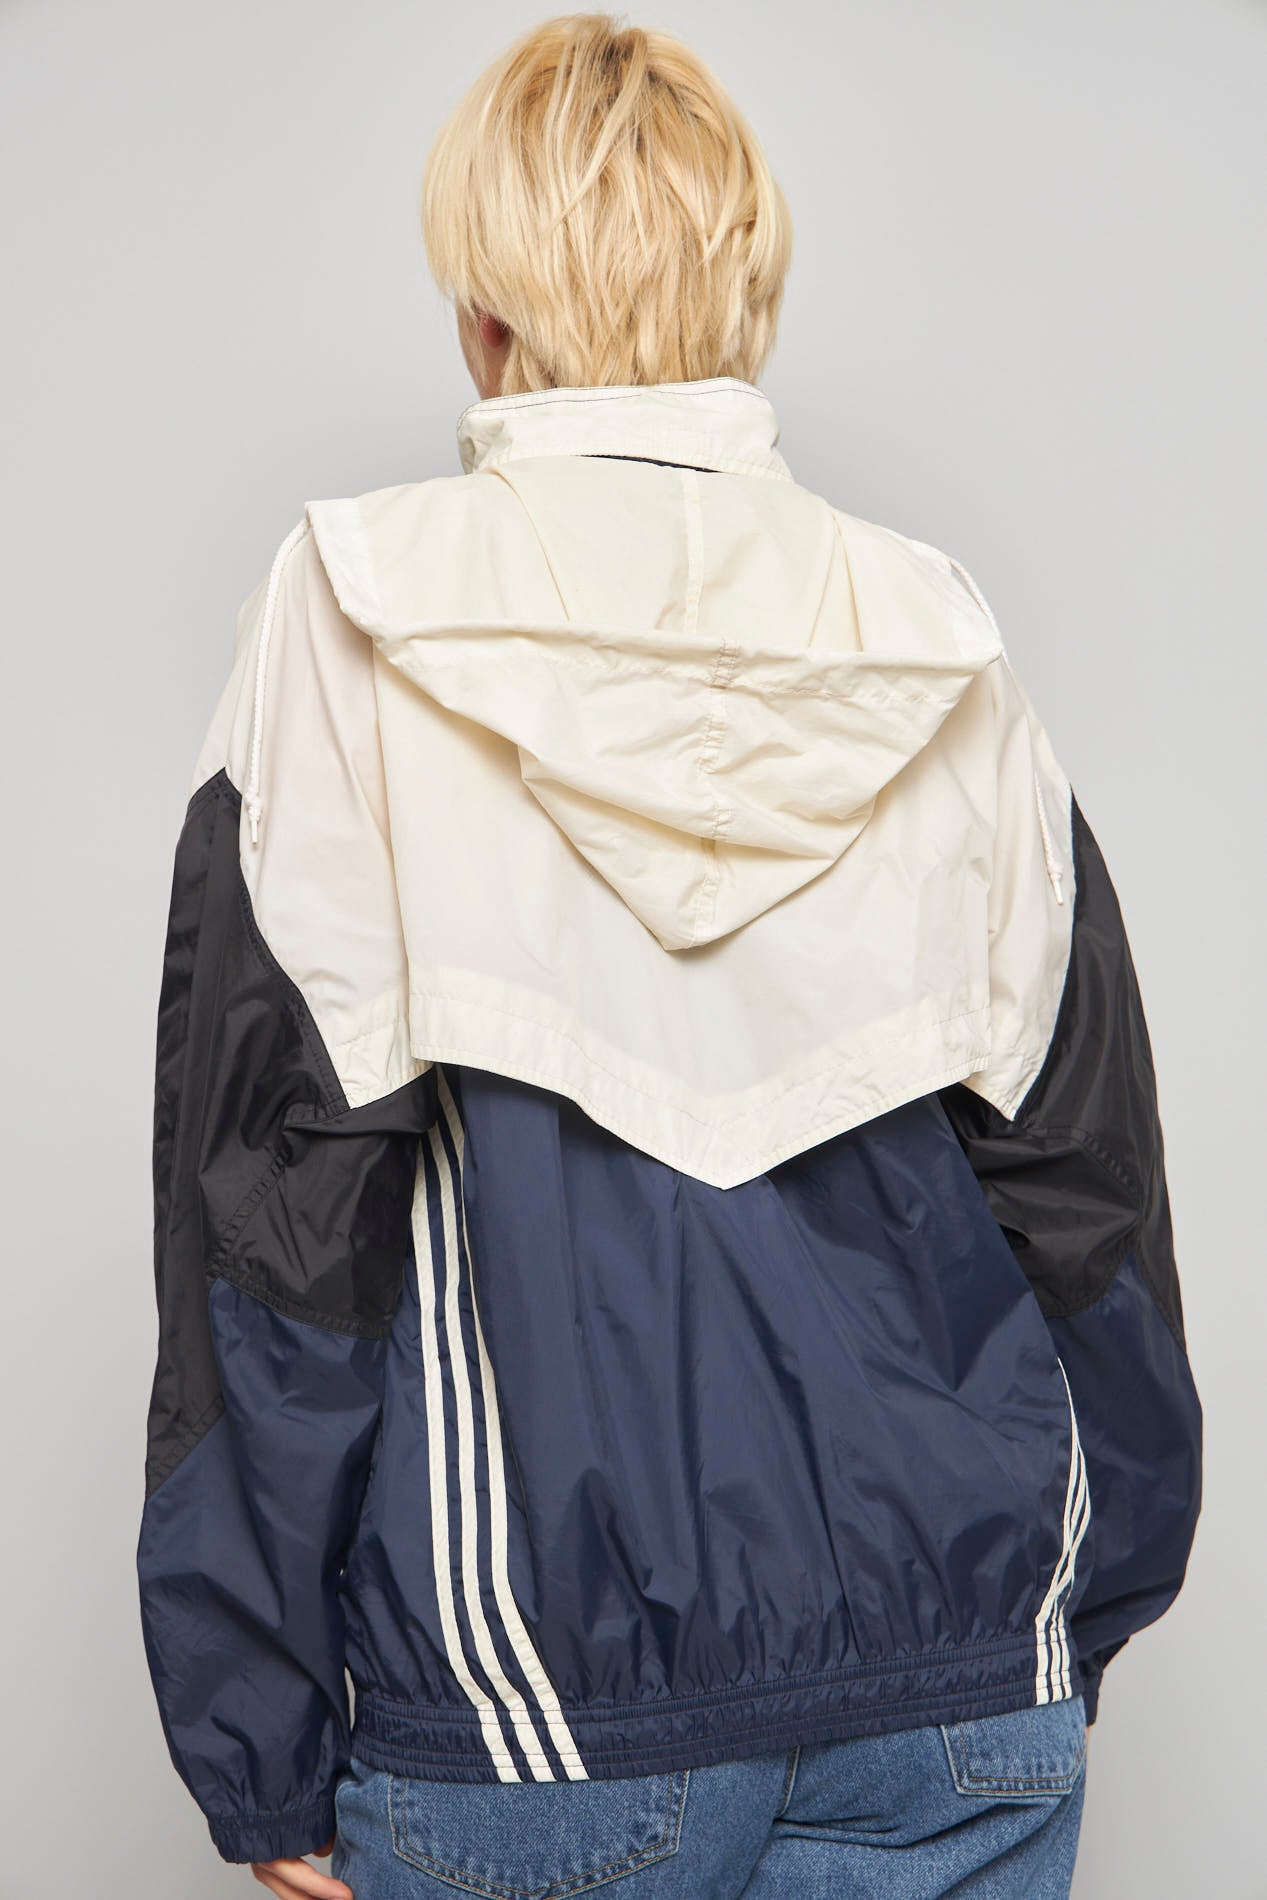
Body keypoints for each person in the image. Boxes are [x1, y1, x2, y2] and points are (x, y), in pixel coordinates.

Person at [136, 15, 1202, 1899]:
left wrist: (257, 1736)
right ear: (749, 294)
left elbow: (274, 1220)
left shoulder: (348, 611)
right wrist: (1072, 1613)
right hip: (959, 1695)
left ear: (484, 309)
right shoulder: (937, 635)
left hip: (534, 1718)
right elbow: (1088, 1198)